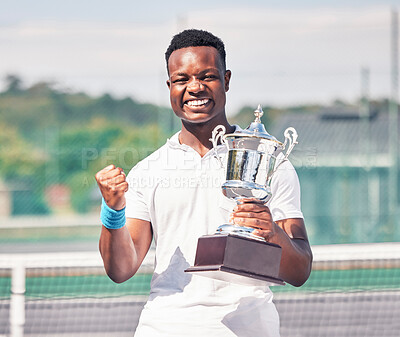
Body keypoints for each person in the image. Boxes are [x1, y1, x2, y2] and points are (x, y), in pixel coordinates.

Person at [95, 29, 312, 337]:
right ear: (170, 86)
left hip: (249, 329)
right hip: (164, 328)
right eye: (182, 79)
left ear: (226, 80)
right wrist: (113, 210)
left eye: (207, 76)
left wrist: (273, 232)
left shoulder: (269, 163)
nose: (194, 88)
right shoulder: (147, 171)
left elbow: (300, 270)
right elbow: (120, 269)